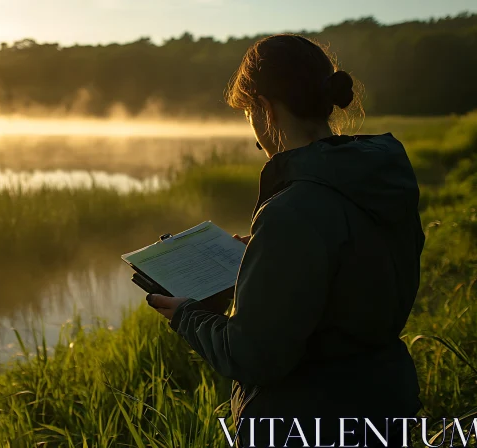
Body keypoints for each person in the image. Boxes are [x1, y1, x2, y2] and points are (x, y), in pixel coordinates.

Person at [146, 34, 424, 447]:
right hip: (384, 403)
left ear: (266, 109)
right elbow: (345, 276)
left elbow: (253, 356)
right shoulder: (378, 178)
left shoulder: (292, 209)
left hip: (307, 423)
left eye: (248, 114)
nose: (254, 132)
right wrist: (262, 260)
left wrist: (186, 315)